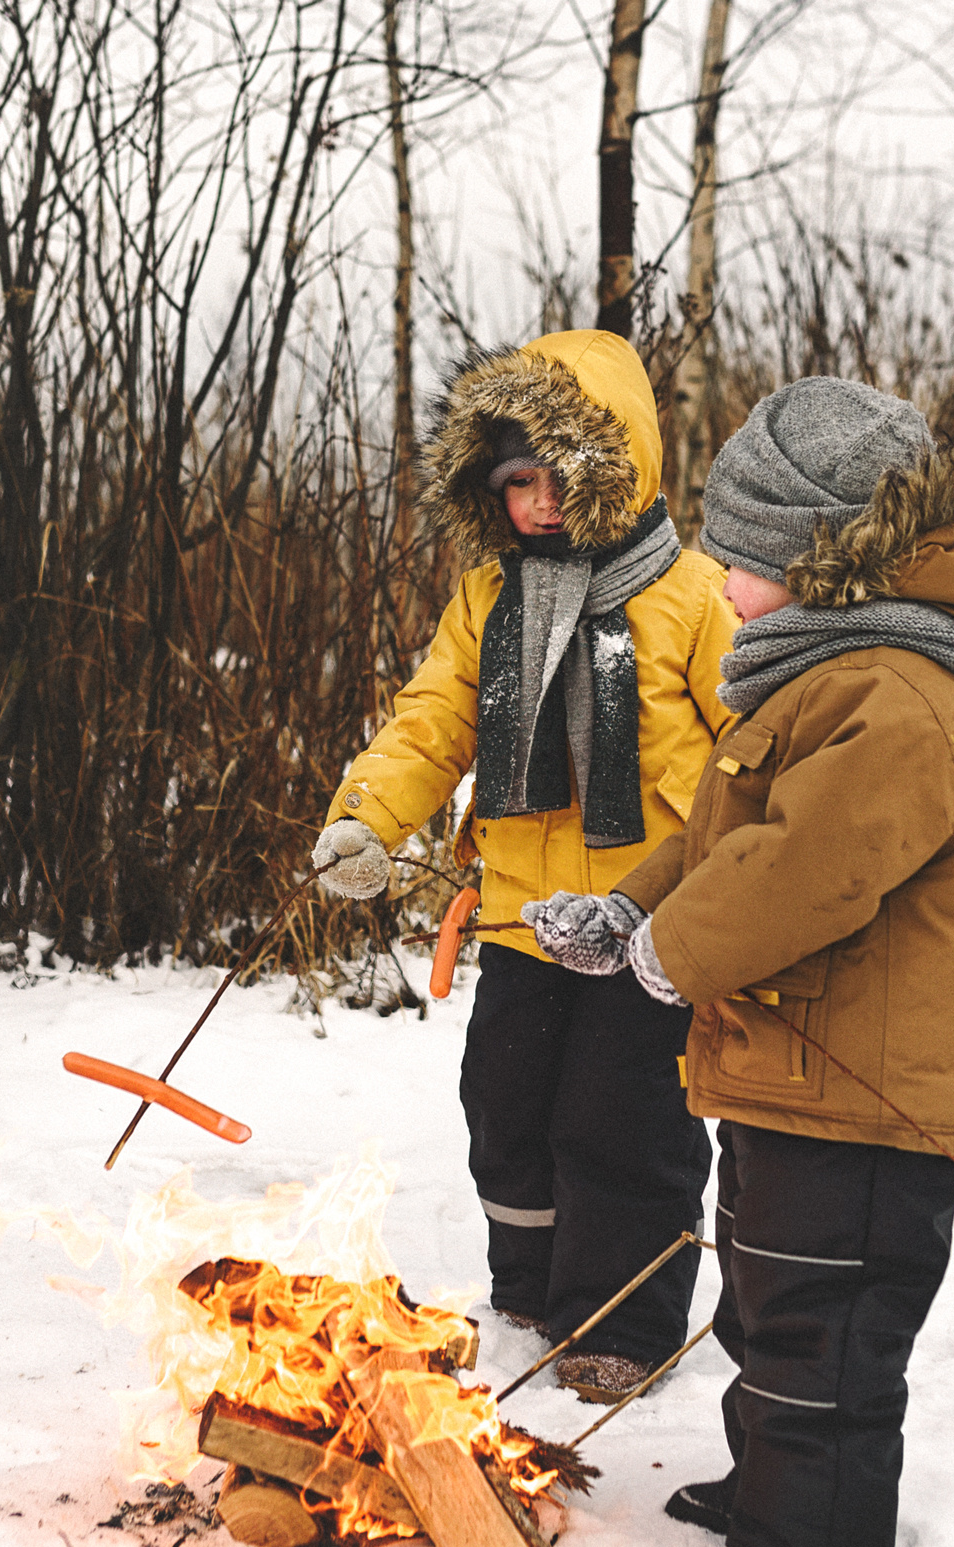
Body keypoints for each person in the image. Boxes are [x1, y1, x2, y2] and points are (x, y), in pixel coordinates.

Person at [527, 376, 954, 1547]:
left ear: (824, 563)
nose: (722, 582)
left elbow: (806, 872)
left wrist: (675, 957)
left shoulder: (898, 701)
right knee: (763, 1308)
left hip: (864, 1102)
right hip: (791, 1076)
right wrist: (632, 911)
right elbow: (723, 834)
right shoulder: (816, 682)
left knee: (825, 1341)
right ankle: (775, 1490)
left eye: (740, 559)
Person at [310, 330, 739, 1400]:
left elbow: (753, 749)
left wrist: (739, 875)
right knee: (505, 1103)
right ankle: (533, 1283)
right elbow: (432, 721)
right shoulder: (490, 599)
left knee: (623, 1121)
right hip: (519, 918)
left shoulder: (690, 597)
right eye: (512, 484)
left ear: (613, 462)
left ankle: (621, 1324)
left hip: (648, 929)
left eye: (554, 475)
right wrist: (369, 818)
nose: (536, 503)